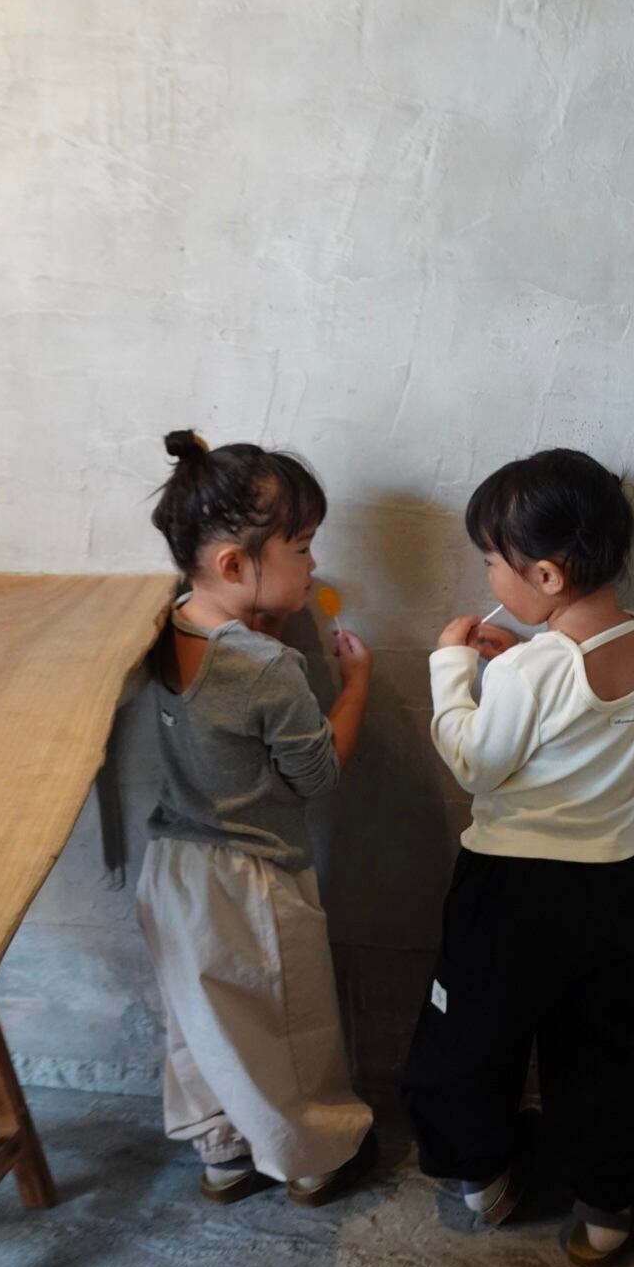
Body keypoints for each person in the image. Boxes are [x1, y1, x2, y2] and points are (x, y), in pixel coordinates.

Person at [402, 447, 634, 1267]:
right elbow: (572, 708)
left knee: (471, 1034)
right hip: (617, 879)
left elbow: (475, 761)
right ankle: (608, 1204)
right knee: (597, 1041)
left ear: (547, 575)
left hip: (516, 888)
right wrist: (517, 649)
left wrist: (452, 668)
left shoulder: (531, 669)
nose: (487, 577)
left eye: (492, 561)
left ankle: (482, 1175)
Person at [139, 429, 375, 1205]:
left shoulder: (162, 623)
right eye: (302, 549)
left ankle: (222, 1153)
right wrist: (356, 687)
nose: (314, 565)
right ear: (235, 566)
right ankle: (315, 1159)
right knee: (284, 1026)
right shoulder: (271, 668)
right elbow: (317, 774)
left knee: (200, 1022)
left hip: (171, 869)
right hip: (252, 880)